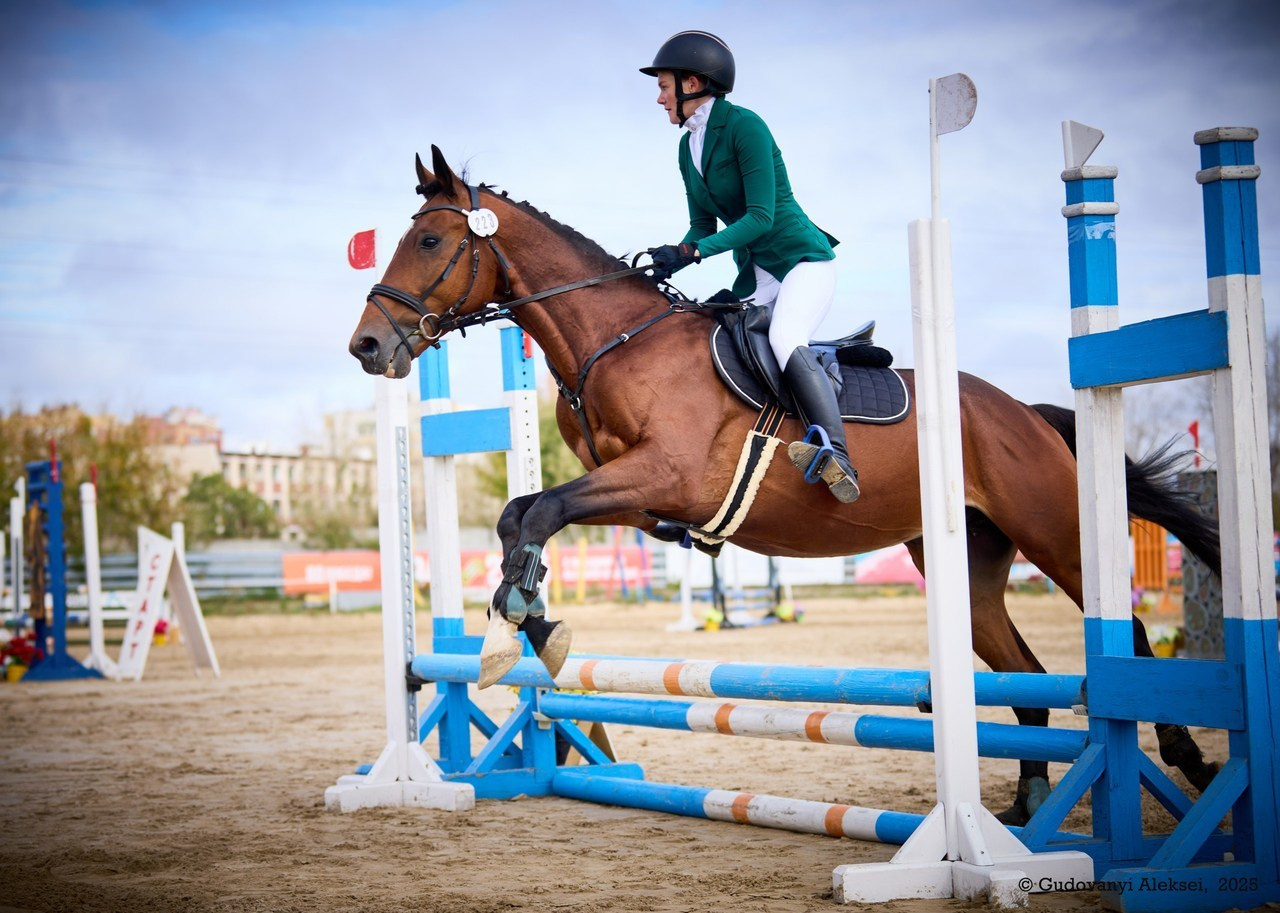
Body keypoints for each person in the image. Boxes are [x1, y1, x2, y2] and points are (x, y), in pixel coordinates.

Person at [640, 30, 859, 503]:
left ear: (693, 83)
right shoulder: (687, 148)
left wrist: (695, 252)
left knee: (784, 337)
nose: (658, 98)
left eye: (663, 87)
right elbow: (701, 223)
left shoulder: (745, 126)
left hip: (802, 261)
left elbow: (760, 217)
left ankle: (838, 455)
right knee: (707, 334)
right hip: (757, 275)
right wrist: (674, 254)